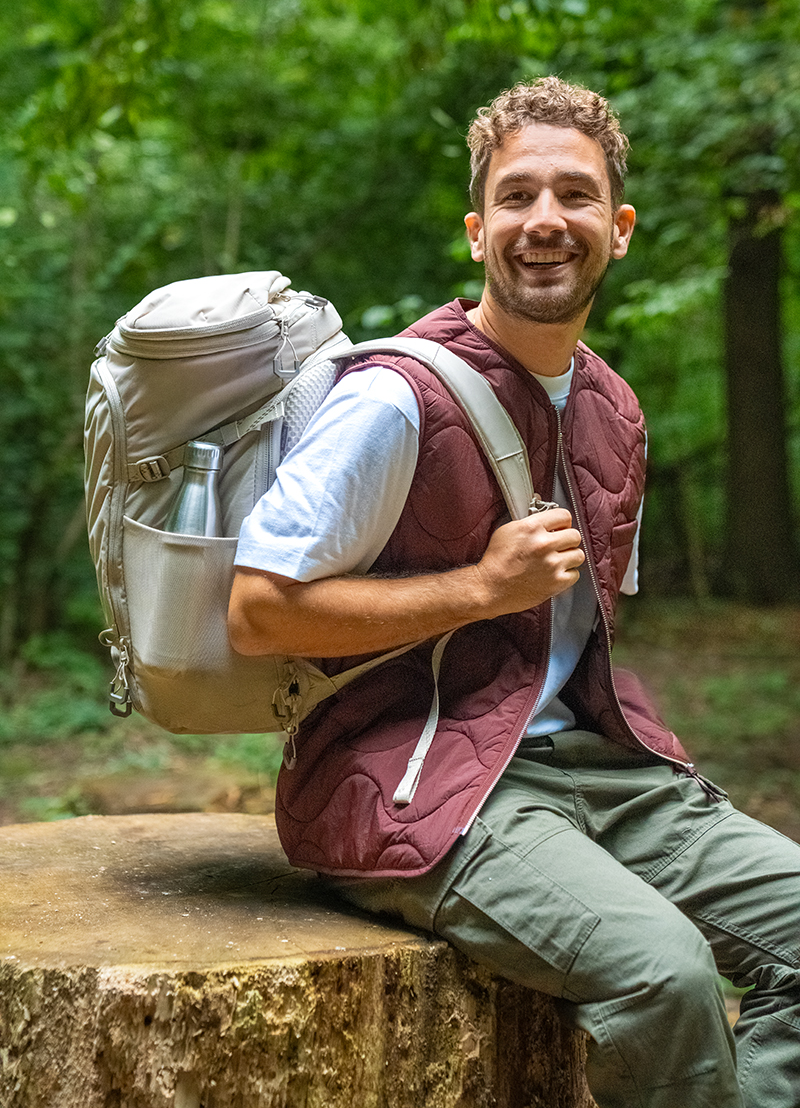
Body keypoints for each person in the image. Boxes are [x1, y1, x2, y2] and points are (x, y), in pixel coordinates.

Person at [228, 77, 800, 1108]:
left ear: (616, 229)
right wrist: (476, 587)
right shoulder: (393, 399)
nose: (545, 221)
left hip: (594, 770)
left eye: (574, 197)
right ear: (476, 227)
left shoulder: (614, 411)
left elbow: (573, 649)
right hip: (416, 778)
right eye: (516, 196)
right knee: (663, 975)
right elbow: (258, 611)